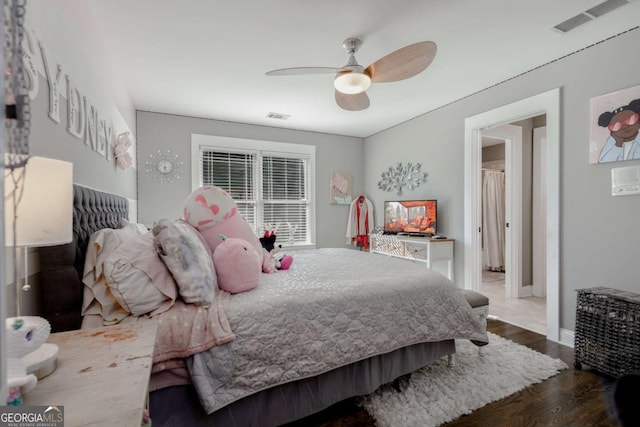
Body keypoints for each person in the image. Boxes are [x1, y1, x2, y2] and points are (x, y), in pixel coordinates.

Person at [597, 98, 640, 163]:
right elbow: (603, 162)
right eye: (616, 126)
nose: (624, 127)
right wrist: (618, 145)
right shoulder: (611, 141)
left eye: (631, 120)